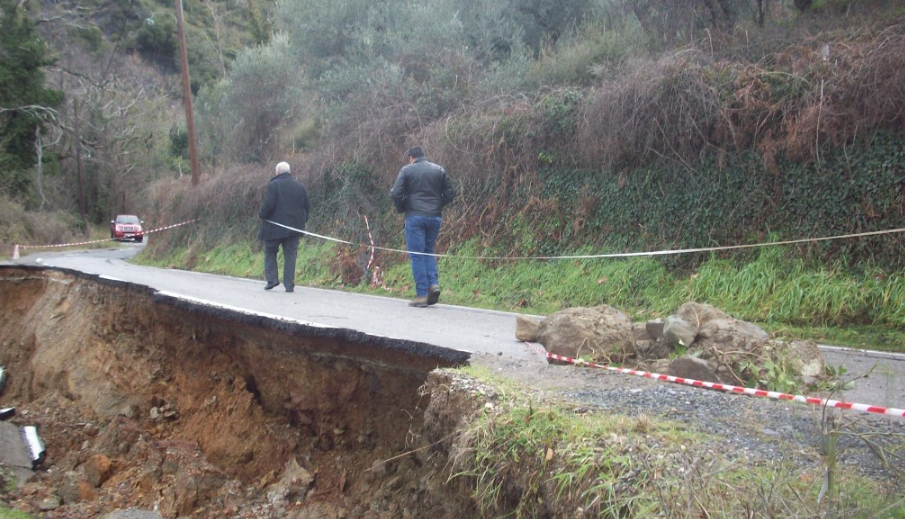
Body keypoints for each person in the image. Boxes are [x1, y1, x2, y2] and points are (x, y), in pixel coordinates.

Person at [391, 146, 456, 307]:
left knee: (416, 255)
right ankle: (433, 285)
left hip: (415, 217)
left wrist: (403, 208)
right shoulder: (438, 170)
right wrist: (436, 205)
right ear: (424, 156)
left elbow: (395, 193)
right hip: (434, 217)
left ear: (411, 158)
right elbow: (450, 193)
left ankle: (421, 295)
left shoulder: (407, 171)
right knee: (428, 250)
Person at [259, 161, 310, 293]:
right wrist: (302, 223)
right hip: (294, 229)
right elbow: (307, 207)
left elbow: (269, 205)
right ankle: (289, 285)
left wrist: (262, 215)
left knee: (270, 252)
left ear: (277, 172)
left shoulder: (274, 185)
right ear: (289, 171)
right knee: (290, 256)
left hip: (273, 229)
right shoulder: (301, 186)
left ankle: (272, 280)